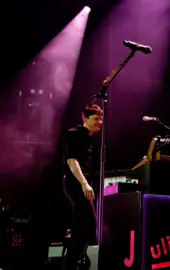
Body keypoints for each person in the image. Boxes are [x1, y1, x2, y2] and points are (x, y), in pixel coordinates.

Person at [62, 104, 103, 270]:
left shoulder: (90, 138)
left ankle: (71, 263)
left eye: (101, 119)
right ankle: (70, 263)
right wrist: (84, 183)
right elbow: (72, 161)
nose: (99, 122)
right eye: (96, 119)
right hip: (75, 183)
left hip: (82, 183)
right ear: (85, 118)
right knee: (89, 224)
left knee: (82, 225)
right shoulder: (75, 134)